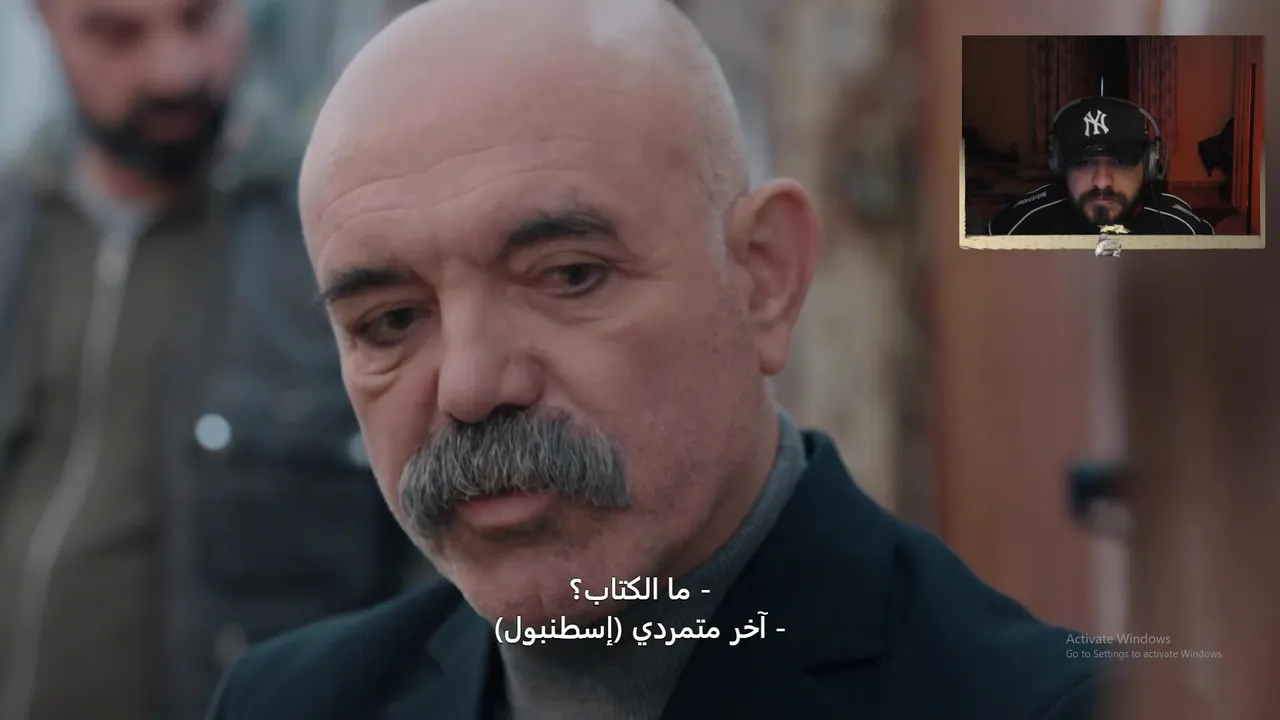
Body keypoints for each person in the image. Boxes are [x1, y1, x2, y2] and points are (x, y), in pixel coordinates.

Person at [207, 1, 1104, 718]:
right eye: (392, 320)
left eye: (569, 276)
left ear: (764, 277)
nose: (472, 386)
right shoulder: (291, 702)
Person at [0, 1, 421, 719]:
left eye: (200, 20)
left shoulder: (338, 246)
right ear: (45, 22)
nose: (175, 72)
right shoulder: (17, 229)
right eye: (117, 33)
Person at [987, 96, 1215, 235]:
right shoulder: (1023, 222)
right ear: (1059, 165)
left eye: (1119, 162)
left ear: (1149, 165)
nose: (1102, 181)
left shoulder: (1181, 229)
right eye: (1084, 162)